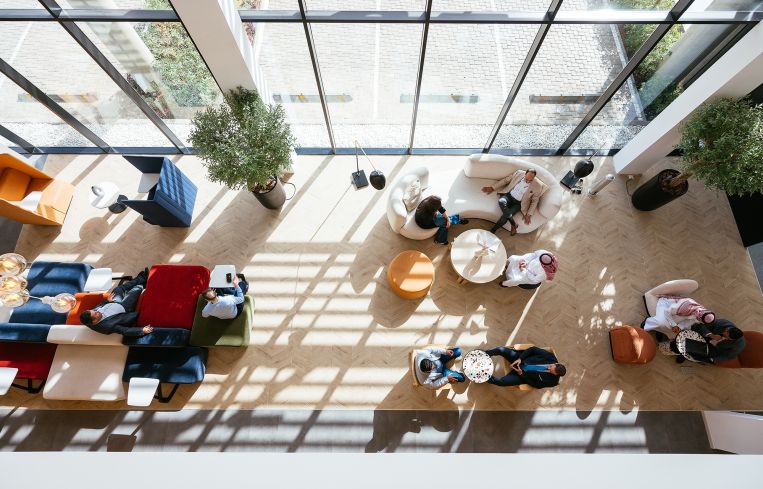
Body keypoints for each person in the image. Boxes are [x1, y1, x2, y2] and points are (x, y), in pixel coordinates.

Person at [79, 268, 153, 337]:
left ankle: (142, 278)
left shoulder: (89, 316)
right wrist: (142, 330)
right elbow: (125, 331)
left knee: (119, 288)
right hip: (124, 308)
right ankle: (142, 281)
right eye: (96, 313)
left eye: (94, 310)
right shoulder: (108, 326)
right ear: (94, 321)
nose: (97, 311)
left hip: (113, 302)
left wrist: (107, 301)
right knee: (136, 288)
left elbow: (98, 307)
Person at [481, 168, 547, 236]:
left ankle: (492, 230)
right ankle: (513, 224)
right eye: (526, 179)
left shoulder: (538, 186)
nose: (528, 181)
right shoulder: (518, 173)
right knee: (501, 201)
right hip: (508, 196)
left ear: (534, 177)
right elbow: (505, 181)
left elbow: (535, 201)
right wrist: (492, 188)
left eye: (530, 180)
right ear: (525, 174)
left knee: (505, 216)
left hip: (518, 203)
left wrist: (528, 214)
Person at [484, 346, 566, 389]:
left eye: (550, 370)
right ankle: (484, 354)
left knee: (501, 382)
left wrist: (521, 374)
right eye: (550, 366)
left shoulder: (552, 382)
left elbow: (536, 385)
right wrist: (520, 359)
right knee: (500, 350)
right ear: (555, 363)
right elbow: (533, 349)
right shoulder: (550, 357)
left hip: (522, 376)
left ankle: (484, 376)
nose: (548, 368)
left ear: (555, 375)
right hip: (521, 358)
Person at [643, 295, 715, 339]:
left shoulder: (700, 313)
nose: (699, 320)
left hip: (679, 314)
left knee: (676, 331)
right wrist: (674, 325)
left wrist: (680, 327)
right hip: (667, 305)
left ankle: (659, 331)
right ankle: (647, 322)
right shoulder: (686, 306)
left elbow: (691, 321)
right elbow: (667, 312)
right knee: (661, 322)